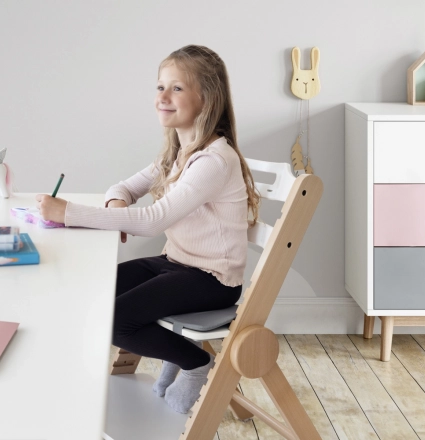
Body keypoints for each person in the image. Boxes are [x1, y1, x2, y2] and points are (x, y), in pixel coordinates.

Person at [36, 44, 260, 414]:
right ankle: (174, 355)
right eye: (160, 87)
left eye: (176, 88)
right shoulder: (176, 153)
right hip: (174, 263)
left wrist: (69, 212)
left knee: (115, 320)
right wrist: (116, 207)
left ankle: (195, 362)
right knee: (91, 290)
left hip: (212, 280)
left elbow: (154, 220)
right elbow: (121, 188)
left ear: (207, 98)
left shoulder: (214, 161)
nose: (163, 97)